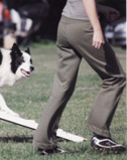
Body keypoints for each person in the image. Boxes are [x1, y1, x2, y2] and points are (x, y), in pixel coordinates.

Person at [33, 0, 126, 155]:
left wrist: (101, 9)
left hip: (65, 24)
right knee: (115, 78)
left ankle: (43, 143)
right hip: (83, 26)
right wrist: (96, 28)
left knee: (63, 86)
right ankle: (100, 135)